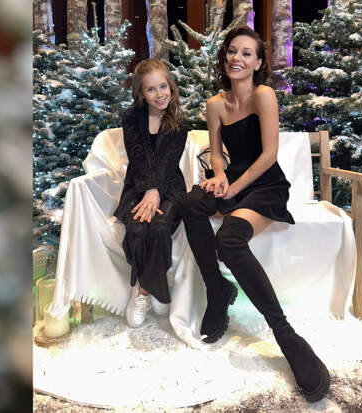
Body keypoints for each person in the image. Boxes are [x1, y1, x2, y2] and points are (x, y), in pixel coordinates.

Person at [179, 26, 330, 401]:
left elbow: (268, 155)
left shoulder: (264, 95)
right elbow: (217, 153)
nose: (237, 58)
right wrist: (218, 176)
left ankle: (286, 335)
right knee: (190, 204)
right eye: (233, 51)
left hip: (264, 184)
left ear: (258, 63)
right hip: (232, 180)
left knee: (229, 239)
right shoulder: (216, 104)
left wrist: (233, 187)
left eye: (247, 53)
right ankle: (217, 290)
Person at [115, 59, 189, 328]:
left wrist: (156, 192)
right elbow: (138, 157)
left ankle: (144, 290)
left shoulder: (180, 123)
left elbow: (168, 164)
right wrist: (148, 190)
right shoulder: (131, 119)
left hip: (171, 189)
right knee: (136, 229)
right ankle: (158, 287)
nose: (159, 94)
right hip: (137, 187)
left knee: (158, 228)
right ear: (141, 93)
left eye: (163, 86)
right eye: (151, 89)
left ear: (171, 86)